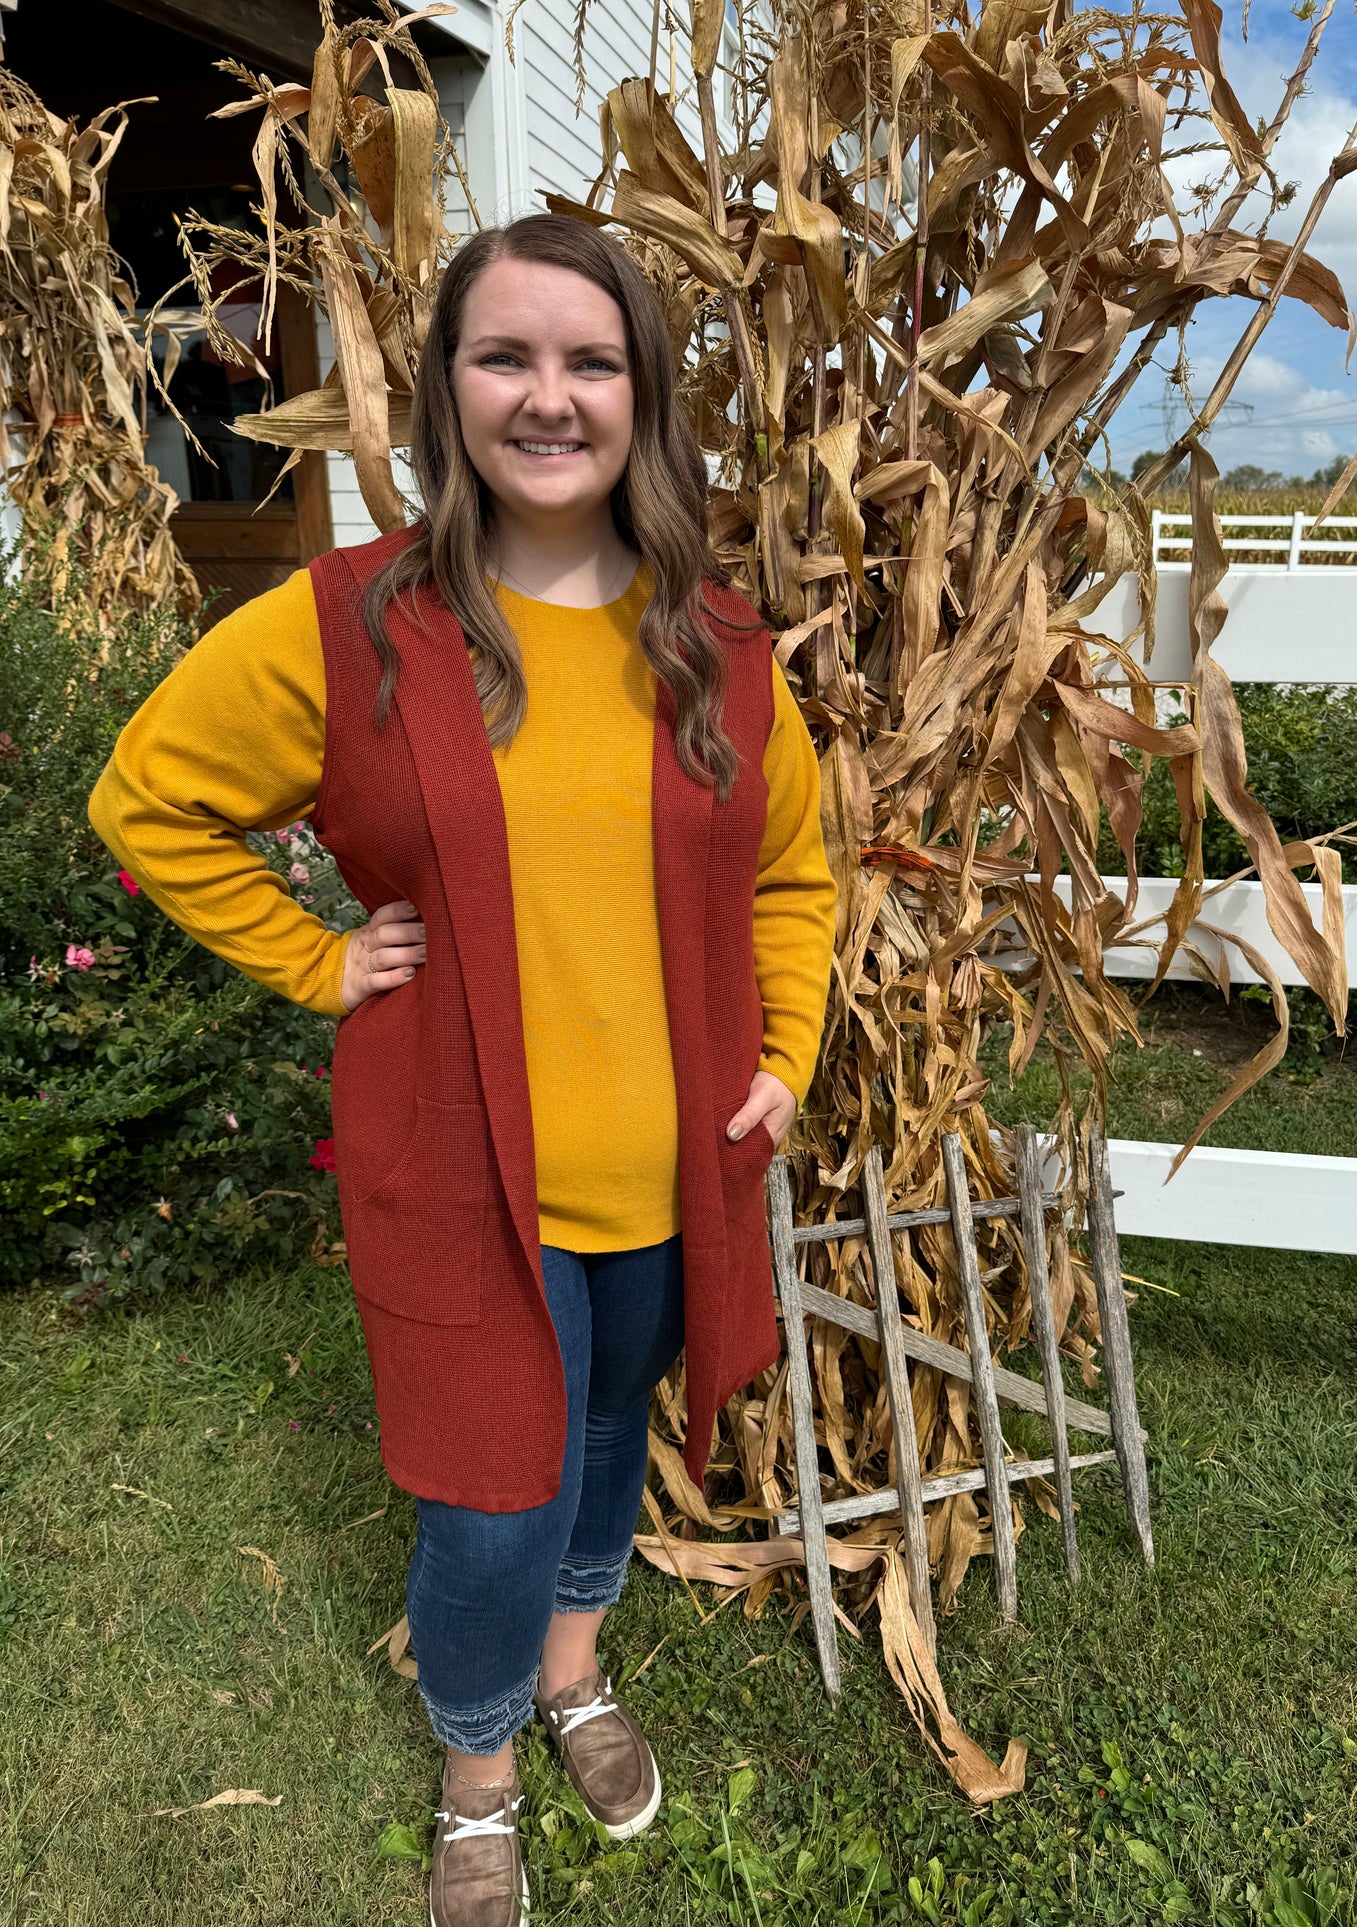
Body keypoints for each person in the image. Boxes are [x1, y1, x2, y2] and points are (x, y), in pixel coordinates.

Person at [89, 213, 836, 1927]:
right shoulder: (349, 626)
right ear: (445, 390)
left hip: (666, 1173)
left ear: (642, 395)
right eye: (506, 356)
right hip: (455, 1171)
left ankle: (573, 1669)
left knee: (596, 1443)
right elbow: (150, 799)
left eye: (591, 361)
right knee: (487, 1504)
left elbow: (795, 878)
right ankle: (480, 1763)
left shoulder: (710, 642)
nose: (549, 397)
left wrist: (783, 1054)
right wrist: (321, 955)